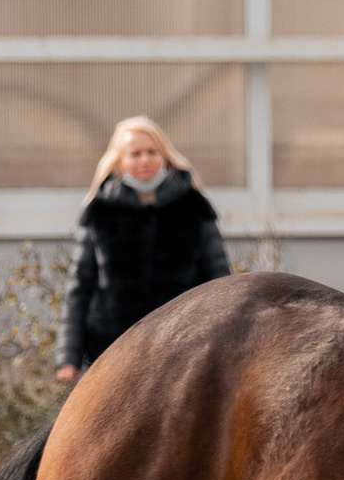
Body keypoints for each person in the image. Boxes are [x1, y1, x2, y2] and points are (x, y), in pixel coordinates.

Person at [56, 116, 231, 384]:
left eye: (152, 152)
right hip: (112, 353)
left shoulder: (194, 207)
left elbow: (220, 282)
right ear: (119, 161)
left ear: (165, 156)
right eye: (135, 154)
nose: (145, 160)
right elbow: (78, 288)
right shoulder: (99, 213)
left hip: (185, 352)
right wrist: (68, 357)